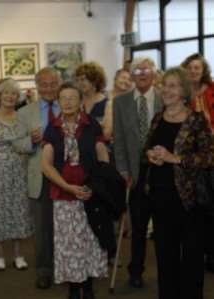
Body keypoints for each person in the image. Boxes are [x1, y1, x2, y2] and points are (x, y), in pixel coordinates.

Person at [145, 67, 214, 299]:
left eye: (173, 85)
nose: (167, 90)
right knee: (165, 258)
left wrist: (174, 158)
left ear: (184, 90)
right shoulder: (157, 118)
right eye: (165, 85)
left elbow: (208, 157)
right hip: (160, 197)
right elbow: (147, 147)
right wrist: (150, 155)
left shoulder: (196, 120)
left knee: (192, 260)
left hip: (189, 200)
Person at [41, 82, 110, 299]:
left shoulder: (92, 126)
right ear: (59, 102)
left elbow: (103, 158)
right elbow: (46, 165)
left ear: (81, 101)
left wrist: (96, 185)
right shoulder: (52, 128)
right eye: (64, 98)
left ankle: (88, 287)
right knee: (69, 244)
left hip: (91, 195)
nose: (68, 101)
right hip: (64, 195)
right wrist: (67, 186)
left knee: (90, 240)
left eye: (72, 97)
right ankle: (73, 288)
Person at [113, 56, 162, 288]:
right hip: (135, 171)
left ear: (154, 73)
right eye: (137, 70)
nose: (142, 73)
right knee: (139, 225)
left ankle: (167, 268)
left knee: (164, 225)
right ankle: (135, 271)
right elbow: (119, 139)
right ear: (131, 75)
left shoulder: (165, 98)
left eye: (146, 69)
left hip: (163, 170)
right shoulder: (121, 102)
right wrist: (122, 168)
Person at [0, 78, 34, 271]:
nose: (10, 97)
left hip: (17, 167)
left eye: (13, 93)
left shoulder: (22, 118)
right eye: (6, 93)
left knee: (17, 208)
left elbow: (28, 143)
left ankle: (18, 254)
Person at [17, 67, 61, 289]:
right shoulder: (25, 113)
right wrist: (32, 141)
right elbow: (17, 144)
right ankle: (44, 271)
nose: (49, 89)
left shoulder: (69, 105)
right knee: (43, 228)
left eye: (53, 84)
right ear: (37, 86)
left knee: (67, 225)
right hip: (40, 177)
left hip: (67, 176)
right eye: (44, 84)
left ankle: (65, 268)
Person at [182, 53, 214, 273]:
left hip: (210, 154)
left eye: (197, 68)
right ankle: (196, 254)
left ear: (203, 71)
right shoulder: (182, 93)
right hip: (187, 157)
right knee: (194, 207)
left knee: (211, 206)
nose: (194, 71)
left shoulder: (212, 91)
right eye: (190, 68)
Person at [103, 68, 133, 140]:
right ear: (115, 79)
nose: (126, 81)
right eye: (123, 78)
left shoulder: (131, 102)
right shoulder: (103, 97)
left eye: (129, 80)